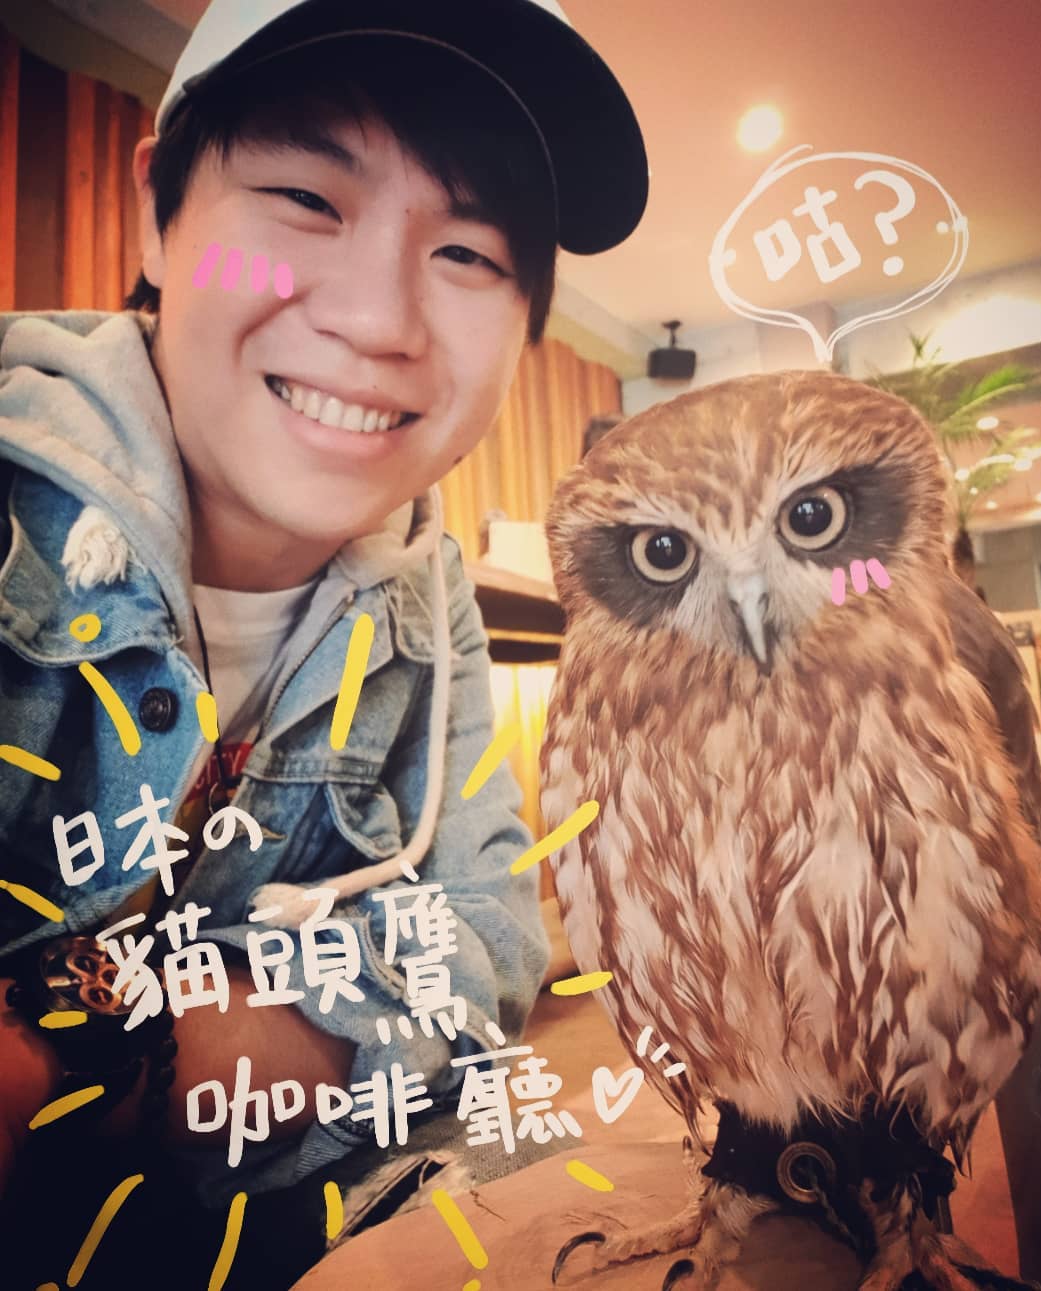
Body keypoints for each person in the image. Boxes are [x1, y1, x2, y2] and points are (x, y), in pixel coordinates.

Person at [0, 1, 647, 1284]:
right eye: (305, 197)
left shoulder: (428, 588)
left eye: (468, 251)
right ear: (157, 215)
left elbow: (485, 944)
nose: (380, 320)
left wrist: (81, 1057)